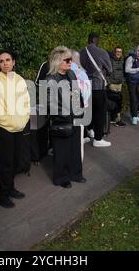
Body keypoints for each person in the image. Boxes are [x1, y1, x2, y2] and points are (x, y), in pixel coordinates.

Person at [0, 50, 30, 208]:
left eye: (8, 60)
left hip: (18, 128)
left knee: (15, 160)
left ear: (14, 62)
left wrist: (23, 120)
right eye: (1, 61)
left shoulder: (19, 79)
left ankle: (10, 187)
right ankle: (2, 194)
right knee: (5, 162)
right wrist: (12, 123)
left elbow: (26, 103)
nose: (5, 63)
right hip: (3, 129)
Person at [46, 46, 86, 188]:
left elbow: (77, 94)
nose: (70, 62)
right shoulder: (50, 79)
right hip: (61, 119)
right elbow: (49, 104)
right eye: (67, 60)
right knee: (61, 150)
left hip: (74, 116)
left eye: (71, 59)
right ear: (57, 61)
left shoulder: (71, 74)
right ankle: (61, 178)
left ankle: (76, 174)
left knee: (75, 148)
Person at [79, 33, 112, 147]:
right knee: (99, 113)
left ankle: (86, 134)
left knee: (86, 112)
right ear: (95, 40)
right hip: (98, 86)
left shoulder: (80, 53)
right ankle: (98, 139)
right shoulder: (102, 52)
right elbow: (109, 69)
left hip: (84, 87)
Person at [125, 44, 139, 125]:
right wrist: (138, 69)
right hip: (131, 81)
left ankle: (135, 115)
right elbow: (127, 70)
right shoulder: (131, 58)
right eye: (138, 50)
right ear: (136, 50)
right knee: (133, 98)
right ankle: (133, 116)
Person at [107, 47, 126, 127]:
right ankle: (116, 119)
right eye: (117, 51)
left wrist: (123, 80)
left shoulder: (122, 61)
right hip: (112, 84)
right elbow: (107, 71)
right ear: (114, 52)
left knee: (118, 102)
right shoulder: (110, 60)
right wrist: (109, 82)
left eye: (120, 52)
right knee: (113, 102)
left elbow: (124, 71)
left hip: (119, 84)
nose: (118, 53)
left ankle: (114, 119)